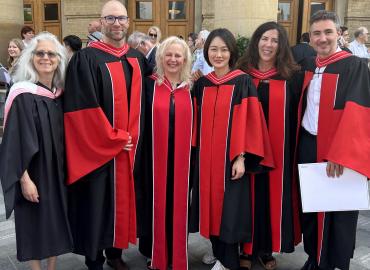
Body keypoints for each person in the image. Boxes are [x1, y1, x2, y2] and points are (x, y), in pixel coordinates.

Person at [63, 1, 152, 270]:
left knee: (125, 201)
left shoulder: (137, 58)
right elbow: (81, 108)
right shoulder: (86, 59)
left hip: (132, 151)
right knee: (98, 203)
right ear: (101, 22)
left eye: (121, 18)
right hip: (100, 152)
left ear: (127, 22)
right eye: (110, 18)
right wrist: (112, 138)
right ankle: (94, 259)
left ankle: (115, 253)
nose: (116, 23)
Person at [189, 28, 274, 270]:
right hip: (205, 159)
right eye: (213, 49)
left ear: (232, 53)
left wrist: (241, 157)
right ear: (206, 53)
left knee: (228, 210)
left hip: (230, 159)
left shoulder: (242, 81)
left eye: (224, 50)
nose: (218, 54)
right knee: (209, 206)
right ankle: (217, 252)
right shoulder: (202, 84)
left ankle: (228, 261)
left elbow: (250, 122)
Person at [297, 10, 370, 270]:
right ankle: (313, 257)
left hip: (337, 148)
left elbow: (358, 113)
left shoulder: (354, 66)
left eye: (328, 32)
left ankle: (332, 263)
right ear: (310, 37)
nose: (323, 38)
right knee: (311, 207)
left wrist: (340, 154)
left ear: (339, 34)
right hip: (307, 143)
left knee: (338, 210)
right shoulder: (307, 65)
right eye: (317, 33)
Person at [0, 31, 72, 270]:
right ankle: (35, 268)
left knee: (55, 220)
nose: (46, 58)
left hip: (58, 172)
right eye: (40, 53)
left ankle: (51, 267)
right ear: (31, 58)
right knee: (32, 221)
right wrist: (24, 180)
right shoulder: (22, 94)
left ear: (59, 59)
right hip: (33, 172)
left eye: (51, 53)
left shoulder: (59, 96)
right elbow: (14, 143)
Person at [237, 21, 303, 270]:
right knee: (247, 199)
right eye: (265, 39)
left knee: (270, 200)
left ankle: (265, 249)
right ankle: (246, 247)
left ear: (281, 45)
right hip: (248, 150)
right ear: (256, 41)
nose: (269, 45)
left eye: (275, 40)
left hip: (279, 152)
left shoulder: (292, 76)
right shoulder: (241, 72)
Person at [136, 36, 192, 270]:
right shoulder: (149, 85)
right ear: (160, 57)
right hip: (153, 158)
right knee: (154, 203)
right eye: (168, 54)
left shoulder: (192, 87)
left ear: (185, 59)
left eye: (178, 55)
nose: (173, 59)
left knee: (179, 204)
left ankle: (178, 252)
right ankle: (154, 252)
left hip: (183, 159)